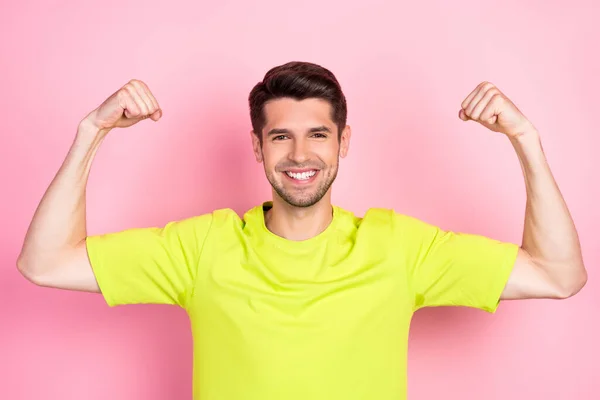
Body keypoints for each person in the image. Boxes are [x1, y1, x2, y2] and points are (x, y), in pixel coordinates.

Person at [17, 61, 587, 400]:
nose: (299, 154)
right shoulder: (202, 247)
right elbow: (45, 262)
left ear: (343, 143)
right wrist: (91, 132)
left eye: (318, 134)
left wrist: (527, 141)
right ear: (258, 147)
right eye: (280, 136)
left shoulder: (399, 247)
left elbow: (558, 275)